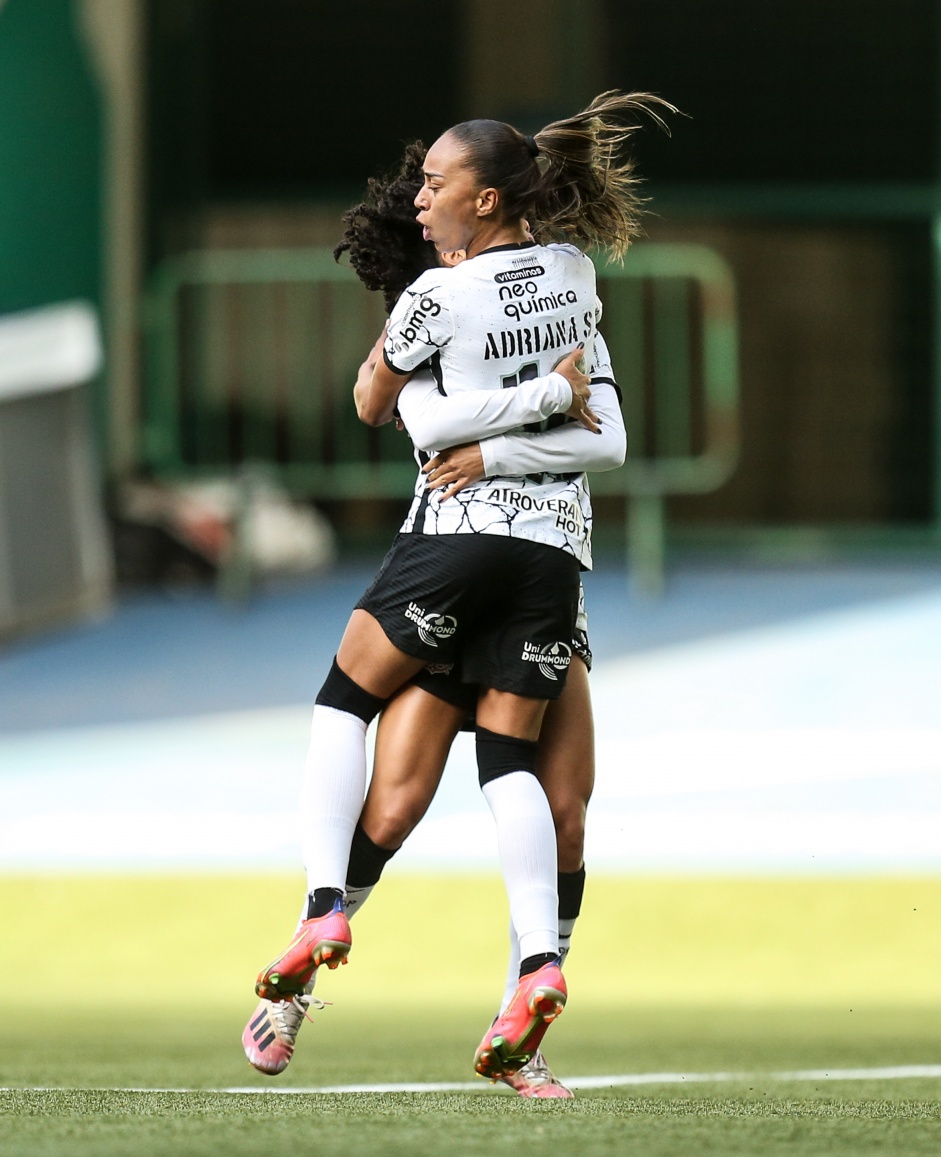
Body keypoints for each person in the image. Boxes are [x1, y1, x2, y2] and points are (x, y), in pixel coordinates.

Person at [246, 90, 671, 1081]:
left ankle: (520, 1012)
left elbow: (603, 437)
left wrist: (498, 451)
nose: (427, 206)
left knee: (562, 804)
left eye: (438, 188)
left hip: (520, 570)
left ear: (479, 208)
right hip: (501, 566)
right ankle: (312, 978)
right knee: (406, 806)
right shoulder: (487, 305)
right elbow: (456, 428)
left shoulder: (495, 304)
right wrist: (541, 408)